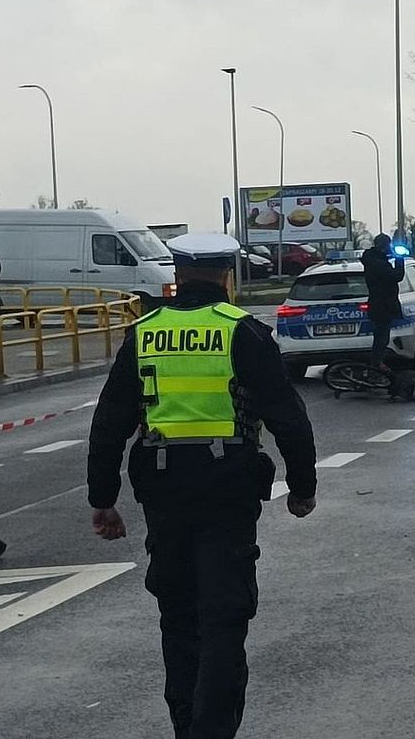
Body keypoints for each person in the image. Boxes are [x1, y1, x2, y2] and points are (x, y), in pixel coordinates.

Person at [87, 233, 318, 739]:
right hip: (228, 489)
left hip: (164, 491)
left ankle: (186, 726)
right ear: (226, 274)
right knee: (224, 616)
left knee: (178, 614)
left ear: (178, 272)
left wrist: (103, 500)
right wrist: (302, 486)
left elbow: (109, 422)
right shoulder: (242, 332)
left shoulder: (144, 333)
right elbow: (288, 417)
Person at [360, 233, 405, 369]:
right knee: (381, 338)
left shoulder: (372, 260)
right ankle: (376, 364)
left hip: (379, 304)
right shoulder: (378, 263)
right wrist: (399, 259)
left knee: (381, 336)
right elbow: (397, 276)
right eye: (388, 245)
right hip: (382, 306)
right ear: (384, 246)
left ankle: (377, 363)